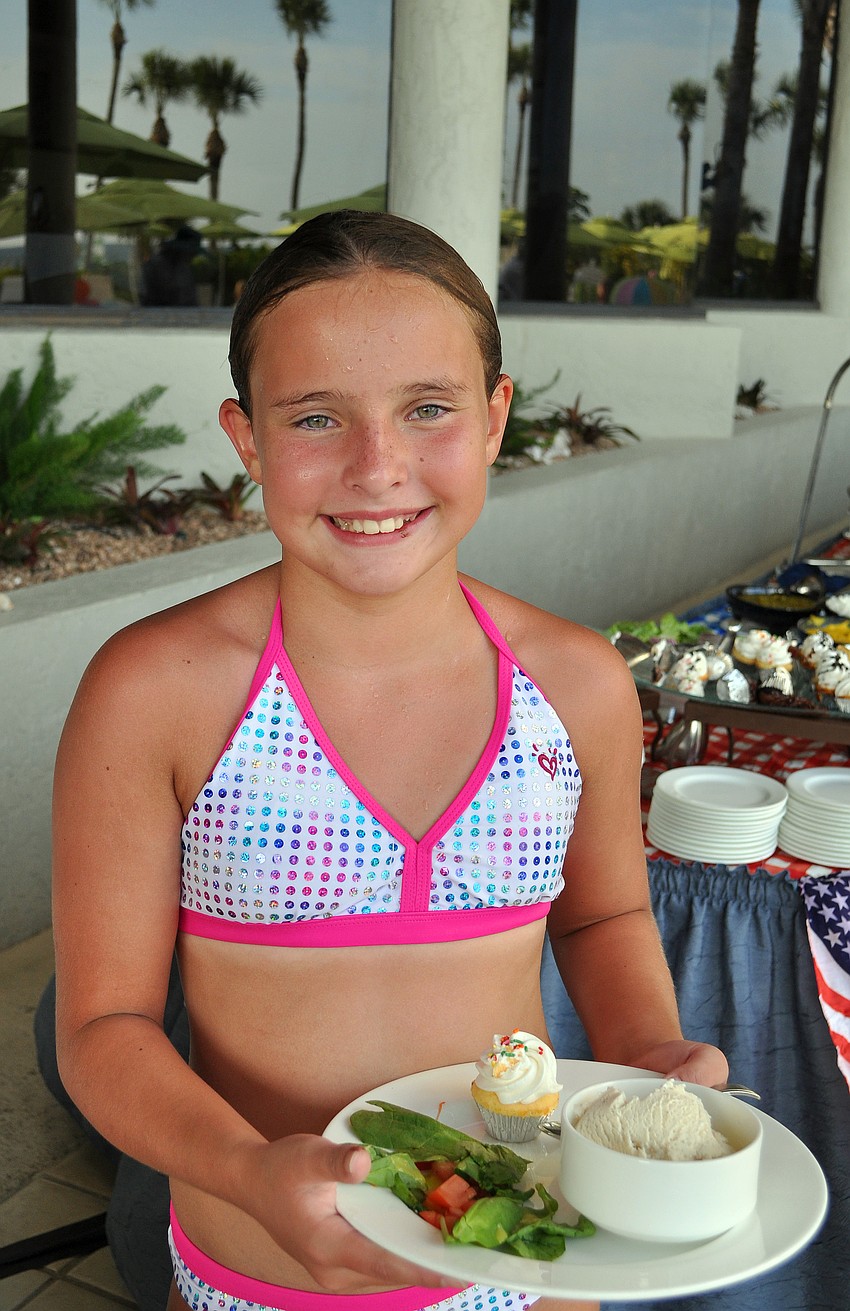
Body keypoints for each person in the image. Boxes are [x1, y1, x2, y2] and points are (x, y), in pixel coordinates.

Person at [52, 210, 728, 1311]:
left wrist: (647, 1046)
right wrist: (245, 1171)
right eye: (316, 417)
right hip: (257, 1277)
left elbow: (601, 917)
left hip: (530, 1268)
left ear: (496, 416)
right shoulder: (158, 690)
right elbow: (99, 1029)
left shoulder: (573, 682)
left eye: (427, 409)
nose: (378, 467)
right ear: (246, 438)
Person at [139, 225, 203, 307]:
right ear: (183, 250)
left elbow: (191, 299)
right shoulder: (156, 266)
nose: (194, 256)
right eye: (192, 252)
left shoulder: (183, 268)